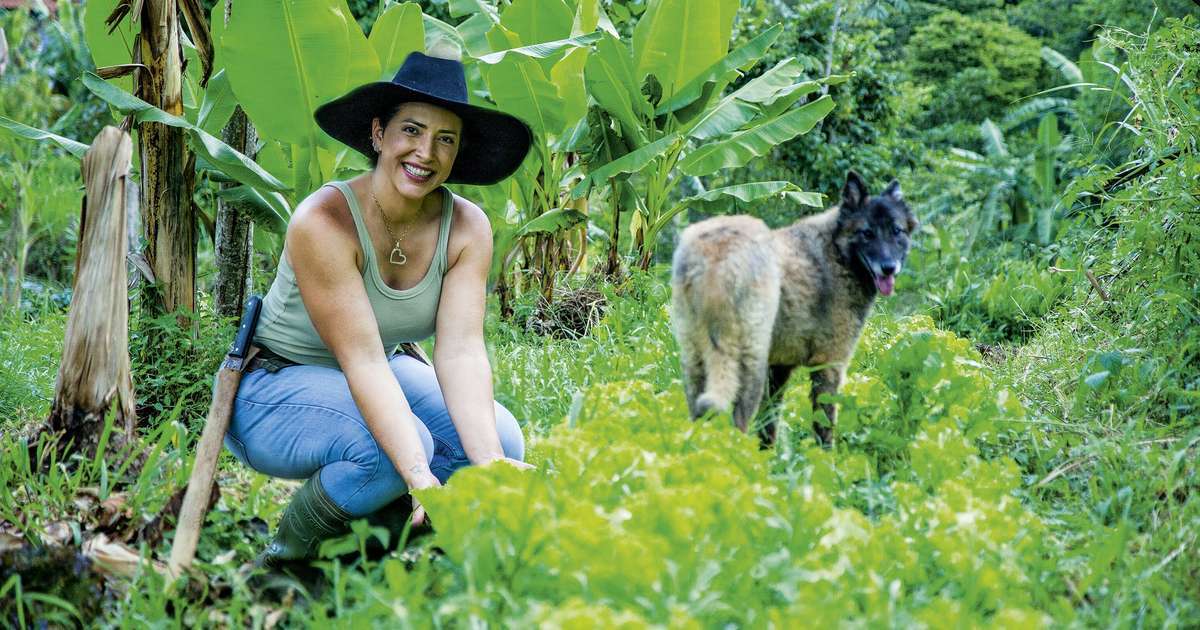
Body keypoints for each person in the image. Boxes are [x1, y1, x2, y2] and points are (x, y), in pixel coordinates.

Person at [222, 46, 534, 566]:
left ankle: (381, 548)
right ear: (377, 134)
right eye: (411, 130)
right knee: (398, 453)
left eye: (445, 139)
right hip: (273, 385)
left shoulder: (468, 227)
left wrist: (489, 464)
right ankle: (287, 562)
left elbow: (459, 351)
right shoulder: (322, 221)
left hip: (383, 366)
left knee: (502, 441)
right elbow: (360, 359)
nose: (426, 153)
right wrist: (418, 474)